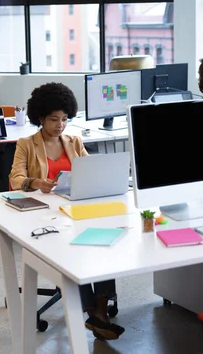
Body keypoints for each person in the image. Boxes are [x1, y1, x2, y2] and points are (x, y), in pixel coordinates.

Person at [9, 82, 125, 340]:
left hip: (76, 210)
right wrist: (36, 182)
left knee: (105, 241)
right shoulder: (26, 144)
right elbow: (16, 178)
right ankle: (97, 315)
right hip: (45, 215)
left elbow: (88, 170)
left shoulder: (74, 141)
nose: (60, 125)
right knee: (76, 251)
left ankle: (98, 309)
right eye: (53, 119)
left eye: (64, 119)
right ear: (40, 118)